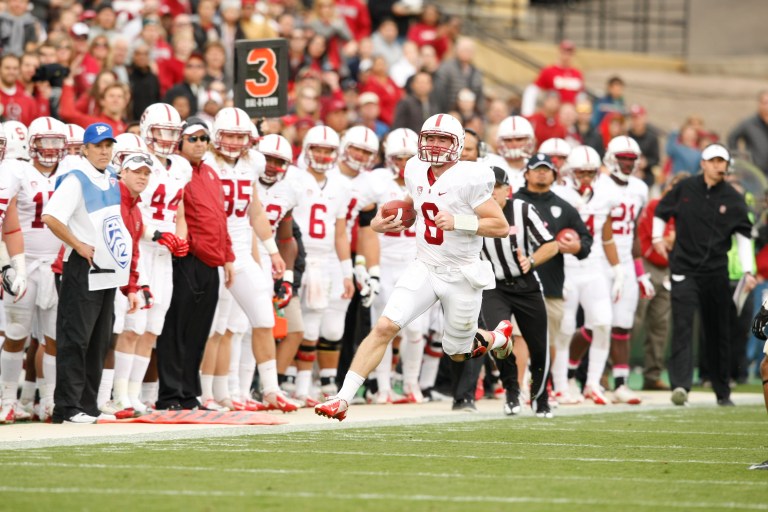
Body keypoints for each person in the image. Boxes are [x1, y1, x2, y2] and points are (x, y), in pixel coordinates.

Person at [315, 113, 512, 421]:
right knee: (385, 326)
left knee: (457, 352)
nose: (434, 145)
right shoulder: (415, 169)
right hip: (425, 267)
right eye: (430, 138)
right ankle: (341, 399)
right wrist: (381, 224)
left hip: (462, 274)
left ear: (457, 144)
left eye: (442, 139)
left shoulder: (471, 177)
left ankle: (498, 337)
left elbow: (500, 226)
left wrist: (459, 222)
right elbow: (414, 206)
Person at [42, 122, 134, 424]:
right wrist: (77, 244)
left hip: (107, 268)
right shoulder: (76, 179)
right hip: (83, 266)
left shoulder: (109, 177)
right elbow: (51, 216)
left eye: (109, 145)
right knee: (75, 338)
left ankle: (88, 404)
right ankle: (67, 407)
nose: (105, 151)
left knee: (99, 340)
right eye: (98, 146)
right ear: (85, 148)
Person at [653, 144, 755, 407]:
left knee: (717, 330)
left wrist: (747, 269)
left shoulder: (733, 197)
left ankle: (722, 391)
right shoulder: (685, 188)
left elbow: (743, 236)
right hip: (684, 269)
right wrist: (656, 238)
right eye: (713, 161)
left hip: (716, 272)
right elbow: (661, 211)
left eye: (722, 161)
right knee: (683, 327)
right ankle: (680, 386)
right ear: (703, 163)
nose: (718, 165)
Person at [155, 118, 234, 411]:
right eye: (193, 138)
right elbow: (179, 211)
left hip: (211, 260)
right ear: (180, 142)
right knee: (175, 329)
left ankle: (190, 393)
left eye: (204, 138)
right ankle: (169, 394)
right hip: (186, 256)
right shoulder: (177, 170)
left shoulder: (211, 173)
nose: (200, 143)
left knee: (199, 332)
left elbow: (220, 219)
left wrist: (228, 257)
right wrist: (184, 247)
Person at [0, 117, 68, 424]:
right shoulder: (17, 170)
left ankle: (49, 402)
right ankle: (6, 400)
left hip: (56, 265)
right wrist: (11, 265)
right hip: (24, 262)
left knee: (53, 338)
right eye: (46, 141)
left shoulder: (71, 171)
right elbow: (7, 221)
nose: (52, 149)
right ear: (32, 144)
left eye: (57, 142)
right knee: (16, 334)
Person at [515, 153, 593, 406]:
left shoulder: (564, 206)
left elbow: (586, 241)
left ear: (554, 174)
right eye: (536, 169)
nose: (541, 173)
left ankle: (540, 384)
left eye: (546, 169)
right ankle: (518, 387)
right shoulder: (513, 202)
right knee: (519, 337)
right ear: (526, 172)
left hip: (551, 282)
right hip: (517, 281)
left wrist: (577, 247)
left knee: (547, 340)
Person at [521, 40, 584, 117]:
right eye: (564, 52)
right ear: (559, 52)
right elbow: (532, 90)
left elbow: (580, 97)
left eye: (570, 53)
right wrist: (527, 112)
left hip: (570, 116)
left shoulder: (577, 74)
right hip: (552, 115)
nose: (567, 56)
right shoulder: (549, 71)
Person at [728, 90, 768, 177]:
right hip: (756, 173)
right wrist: (739, 158)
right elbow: (732, 138)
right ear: (759, 104)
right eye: (765, 102)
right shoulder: (749, 124)